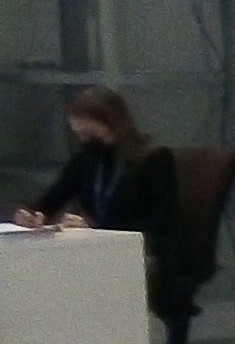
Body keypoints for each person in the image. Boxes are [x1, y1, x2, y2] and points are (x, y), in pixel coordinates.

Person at [15, 86, 182, 309]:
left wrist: (96, 228)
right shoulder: (88, 158)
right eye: (81, 136)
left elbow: (161, 224)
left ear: (110, 122)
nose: (85, 141)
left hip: (142, 252)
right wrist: (33, 214)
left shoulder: (154, 159)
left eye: (90, 134)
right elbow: (52, 199)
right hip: (97, 249)